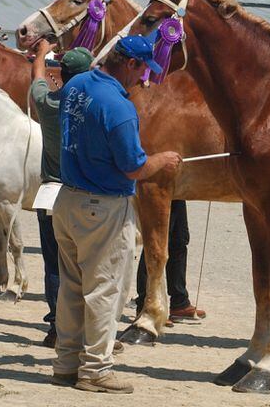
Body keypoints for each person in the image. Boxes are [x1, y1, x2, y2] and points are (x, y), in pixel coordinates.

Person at [52, 35, 182, 394]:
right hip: (103, 207)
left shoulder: (76, 84)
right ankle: (95, 370)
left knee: (72, 289)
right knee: (105, 291)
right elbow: (133, 168)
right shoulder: (121, 108)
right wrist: (163, 161)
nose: (144, 79)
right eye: (143, 70)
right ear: (129, 64)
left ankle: (66, 363)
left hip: (67, 200)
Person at [30, 40, 94, 348]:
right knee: (85, 264)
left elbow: (37, 82)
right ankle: (84, 327)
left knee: (53, 264)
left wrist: (41, 55)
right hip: (82, 193)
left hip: (50, 191)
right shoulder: (94, 108)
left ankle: (57, 326)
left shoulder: (47, 103)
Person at [136, 200, 206, 324]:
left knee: (179, 239)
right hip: (161, 188)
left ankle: (179, 301)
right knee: (157, 243)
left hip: (178, 189)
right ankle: (145, 305)